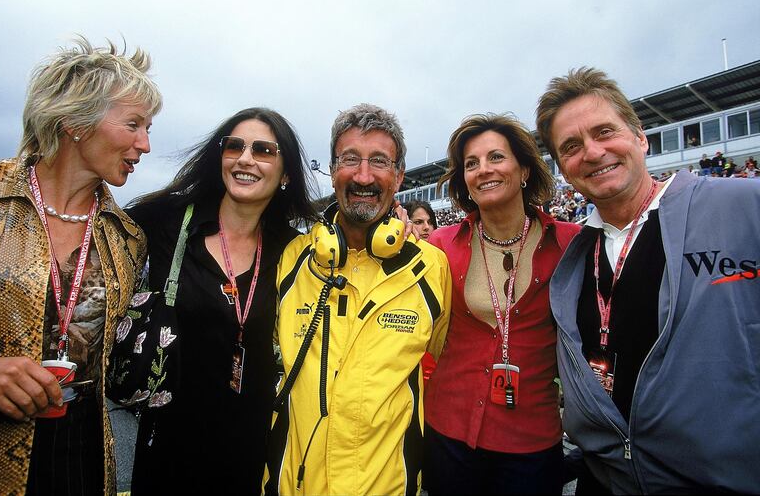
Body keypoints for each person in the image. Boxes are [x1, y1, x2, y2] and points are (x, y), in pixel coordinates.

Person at [536, 67, 760, 493]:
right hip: (606, 480)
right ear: (564, 167)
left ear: (640, 136)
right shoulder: (573, 255)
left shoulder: (744, 206)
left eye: (604, 132)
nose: (593, 151)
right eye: (571, 146)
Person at [0, 37, 161, 495]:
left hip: (83, 460)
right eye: (133, 124)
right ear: (74, 120)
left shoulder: (126, 238)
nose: (145, 144)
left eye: (148, 128)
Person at [122, 108, 318, 494]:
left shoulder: (295, 249)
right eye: (235, 147)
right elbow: (86, 225)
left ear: (286, 174)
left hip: (250, 445)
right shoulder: (168, 220)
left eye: (263, 150)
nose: (246, 159)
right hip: (168, 444)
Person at [264, 103, 451, 495]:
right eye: (351, 159)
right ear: (333, 171)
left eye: (379, 161)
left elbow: (447, 364)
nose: (363, 176)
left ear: (398, 176)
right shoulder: (291, 260)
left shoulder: (432, 268)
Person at [422, 113, 580, 495]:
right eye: (471, 164)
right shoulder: (440, 247)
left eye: (496, 157)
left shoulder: (571, 243)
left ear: (524, 168)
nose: (482, 170)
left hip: (531, 439)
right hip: (448, 431)